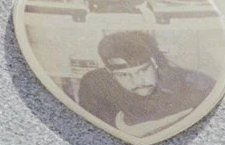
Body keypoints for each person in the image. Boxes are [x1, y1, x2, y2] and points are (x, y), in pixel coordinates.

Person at [75, 29, 213, 136]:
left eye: (143, 70)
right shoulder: (94, 85)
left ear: (154, 62)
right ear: (109, 72)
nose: (138, 81)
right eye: (124, 75)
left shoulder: (195, 87)